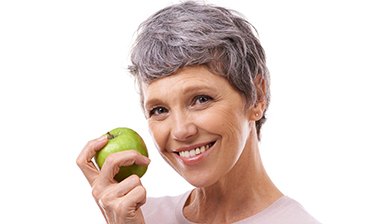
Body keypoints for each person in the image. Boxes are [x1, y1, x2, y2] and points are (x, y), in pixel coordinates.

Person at [77, 1, 321, 223]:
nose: (182, 130)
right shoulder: (137, 215)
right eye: (159, 109)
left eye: (201, 99)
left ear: (257, 97)